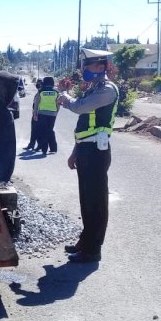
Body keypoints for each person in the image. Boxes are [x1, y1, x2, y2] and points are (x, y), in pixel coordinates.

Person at [57, 49, 119, 263]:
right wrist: (75, 152)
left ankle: (93, 250)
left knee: (96, 203)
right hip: (85, 149)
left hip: (96, 152)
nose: (84, 70)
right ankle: (85, 242)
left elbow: (80, 107)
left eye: (88, 66)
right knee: (86, 201)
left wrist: (64, 97)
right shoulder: (95, 88)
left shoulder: (107, 90)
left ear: (101, 67)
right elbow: (85, 124)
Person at [34, 76, 59, 155]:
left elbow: (36, 103)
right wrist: (56, 112)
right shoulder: (56, 91)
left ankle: (44, 149)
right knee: (50, 130)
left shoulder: (40, 91)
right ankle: (53, 148)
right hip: (53, 113)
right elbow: (58, 103)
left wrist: (35, 113)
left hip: (42, 113)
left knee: (43, 131)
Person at [24, 79, 43, 151]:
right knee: (34, 130)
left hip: (39, 114)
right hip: (36, 114)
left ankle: (39, 146)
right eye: (37, 83)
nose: (37, 85)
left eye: (39, 83)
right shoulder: (39, 92)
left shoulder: (42, 92)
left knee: (37, 130)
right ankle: (31, 144)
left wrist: (35, 114)